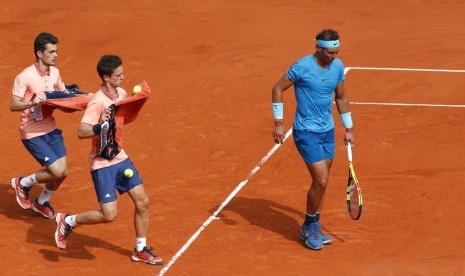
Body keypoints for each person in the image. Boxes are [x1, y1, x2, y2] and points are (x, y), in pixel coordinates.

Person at [54, 55, 163, 265]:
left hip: (120, 157)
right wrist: (98, 126)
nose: (123, 77)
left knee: (143, 201)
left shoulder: (120, 93)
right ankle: (67, 221)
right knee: (108, 215)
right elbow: (81, 131)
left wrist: (134, 99)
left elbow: (122, 119)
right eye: (118, 75)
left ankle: (140, 249)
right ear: (106, 78)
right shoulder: (97, 102)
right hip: (102, 164)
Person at [271, 29, 355, 250]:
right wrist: (279, 123)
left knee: (322, 182)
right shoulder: (302, 67)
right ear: (318, 49)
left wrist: (349, 128)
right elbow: (278, 88)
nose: (334, 57)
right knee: (322, 180)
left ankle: (312, 225)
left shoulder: (337, 67)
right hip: (305, 131)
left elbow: (341, 97)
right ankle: (309, 226)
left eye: (336, 52)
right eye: (329, 53)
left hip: (327, 131)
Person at [10, 32, 69, 219]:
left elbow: (64, 95)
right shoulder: (25, 76)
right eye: (51, 52)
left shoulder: (56, 73)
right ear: (39, 53)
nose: (56, 55)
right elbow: (13, 105)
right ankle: (23, 183)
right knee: (57, 170)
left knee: (63, 173)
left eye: (56, 51)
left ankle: (41, 202)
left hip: (51, 128)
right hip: (32, 132)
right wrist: (33, 102)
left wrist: (85, 98)